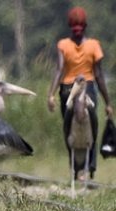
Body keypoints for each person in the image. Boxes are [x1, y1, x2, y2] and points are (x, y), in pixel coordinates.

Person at [48, 6, 112, 180]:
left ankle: (90, 165)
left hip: (88, 87)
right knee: (68, 126)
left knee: (92, 118)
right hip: (68, 88)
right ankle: (74, 167)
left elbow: (98, 74)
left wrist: (107, 102)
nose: (77, 30)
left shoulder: (94, 45)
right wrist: (51, 94)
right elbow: (59, 69)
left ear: (84, 26)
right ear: (70, 26)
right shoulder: (63, 44)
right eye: (74, 26)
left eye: (80, 25)